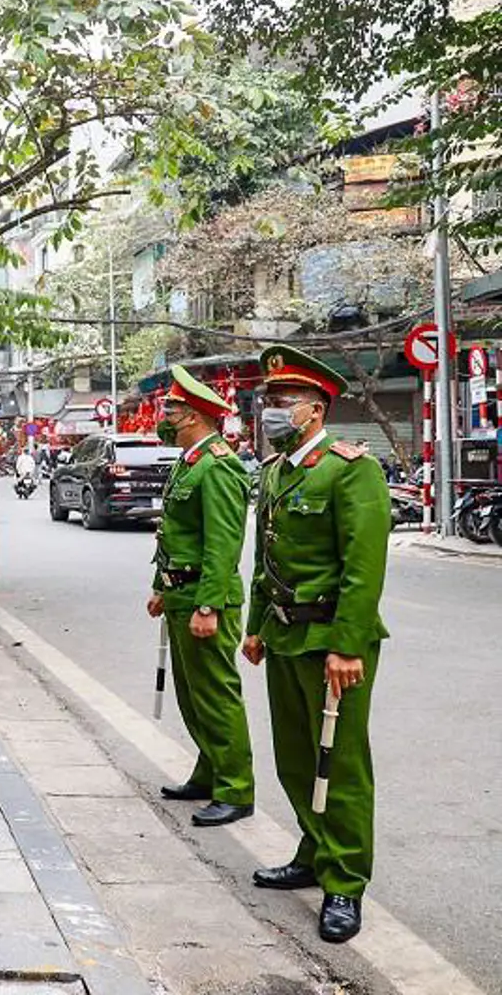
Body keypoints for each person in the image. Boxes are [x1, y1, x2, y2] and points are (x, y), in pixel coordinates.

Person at [242, 345, 390, 945]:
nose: (271, 411)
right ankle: (313, 849)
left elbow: (364, 565)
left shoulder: (351, 468)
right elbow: (266, 560)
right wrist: (254, 625)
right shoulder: (277, 471)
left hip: (333, 639)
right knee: (297, 758)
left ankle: (345, 882)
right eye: (268, 401)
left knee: (341, 764)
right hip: (283, 633)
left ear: (315, 409)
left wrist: (348, 644)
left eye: (282, 402)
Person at [146, 365, 255, 829]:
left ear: (191, 415)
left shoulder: (218, 466)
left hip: (204, 599)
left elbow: (222, 544)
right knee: (191, 696)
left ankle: (236, 788)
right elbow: (174, 533)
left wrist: (209, 605)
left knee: (215, 694)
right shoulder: (190, 461)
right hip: (180, 593)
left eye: (170, 408)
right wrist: (159, 586)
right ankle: (209, 772)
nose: (164, 415)